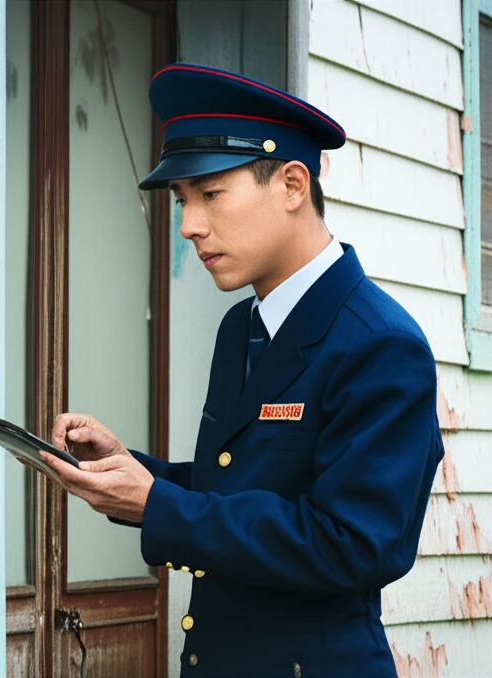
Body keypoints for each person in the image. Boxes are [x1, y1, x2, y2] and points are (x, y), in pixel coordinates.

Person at [39, 63, 444, 678]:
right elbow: (234, 488)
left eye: (210, 194)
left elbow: (351, 544)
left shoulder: (381, 344)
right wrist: (130, 473)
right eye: (181, 201)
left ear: (291, 184)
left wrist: (158, 507)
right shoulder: (241, 328)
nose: (188, 226)